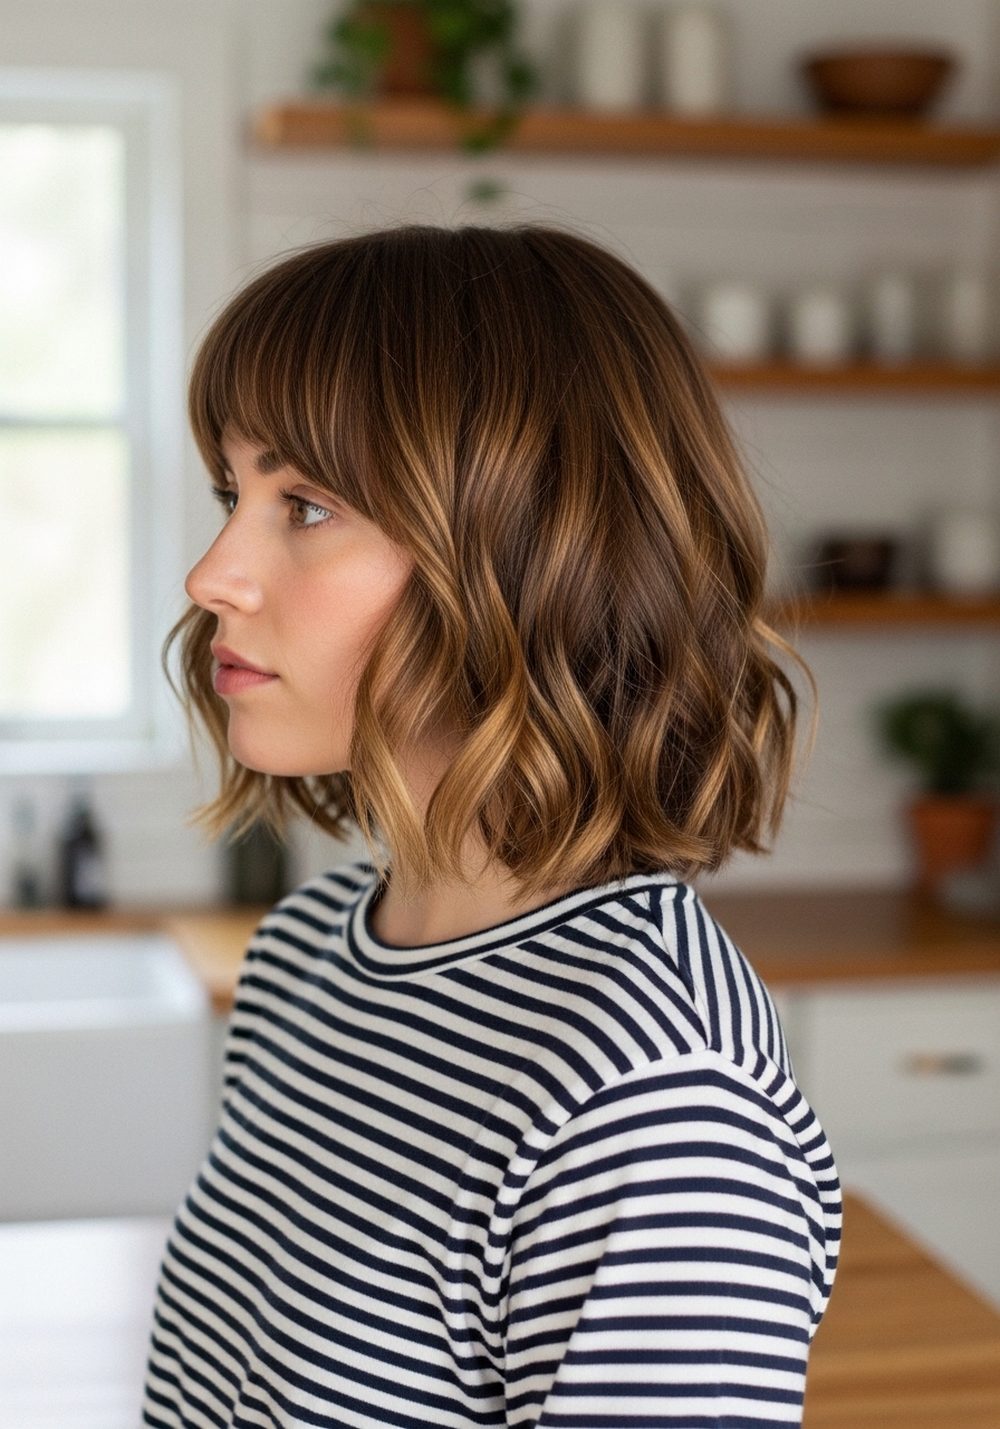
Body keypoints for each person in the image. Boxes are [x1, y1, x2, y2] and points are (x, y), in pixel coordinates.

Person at [141, 221, 841, 1428]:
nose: (212, 574)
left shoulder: (652, 1093)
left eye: (303, 503)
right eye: (231, 492)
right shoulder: (307, 953)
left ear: (531, 550)